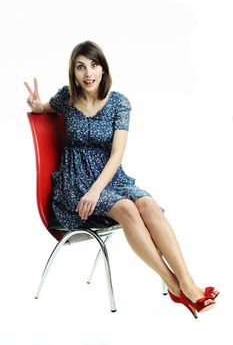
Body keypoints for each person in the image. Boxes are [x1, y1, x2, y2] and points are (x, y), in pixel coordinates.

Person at [25, 40, 219, 318]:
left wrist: (97, 190)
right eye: (80, 67)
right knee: (128, 208)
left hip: (109, 178)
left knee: (148, 204)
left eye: (93, 65)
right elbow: (44, 108)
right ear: (73, 72)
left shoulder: (119, 103)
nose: (88, 73)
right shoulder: (65, 99)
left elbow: (117, 154)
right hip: (74, 184)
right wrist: (36, 105)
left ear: (103, 69)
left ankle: (187, 281)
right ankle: (177, 287)